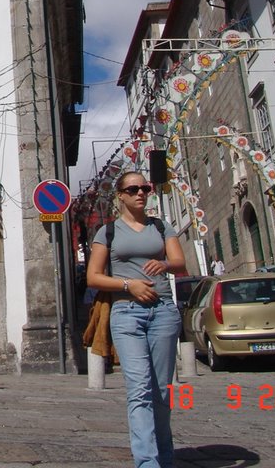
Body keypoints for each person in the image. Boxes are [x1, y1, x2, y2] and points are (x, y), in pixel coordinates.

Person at [86, 171, 187, 468]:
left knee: (161, 390)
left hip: (164, 310)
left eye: (145, 188)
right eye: (133, 189)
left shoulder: (161, 226)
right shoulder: (108, 232)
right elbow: (93, 277)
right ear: (121, 195)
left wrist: (166, 263)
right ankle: (147, 462)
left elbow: (180, 263)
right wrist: (129, 285)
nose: (141, 193)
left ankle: (165, 458)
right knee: (140, 388)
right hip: (126, 314)